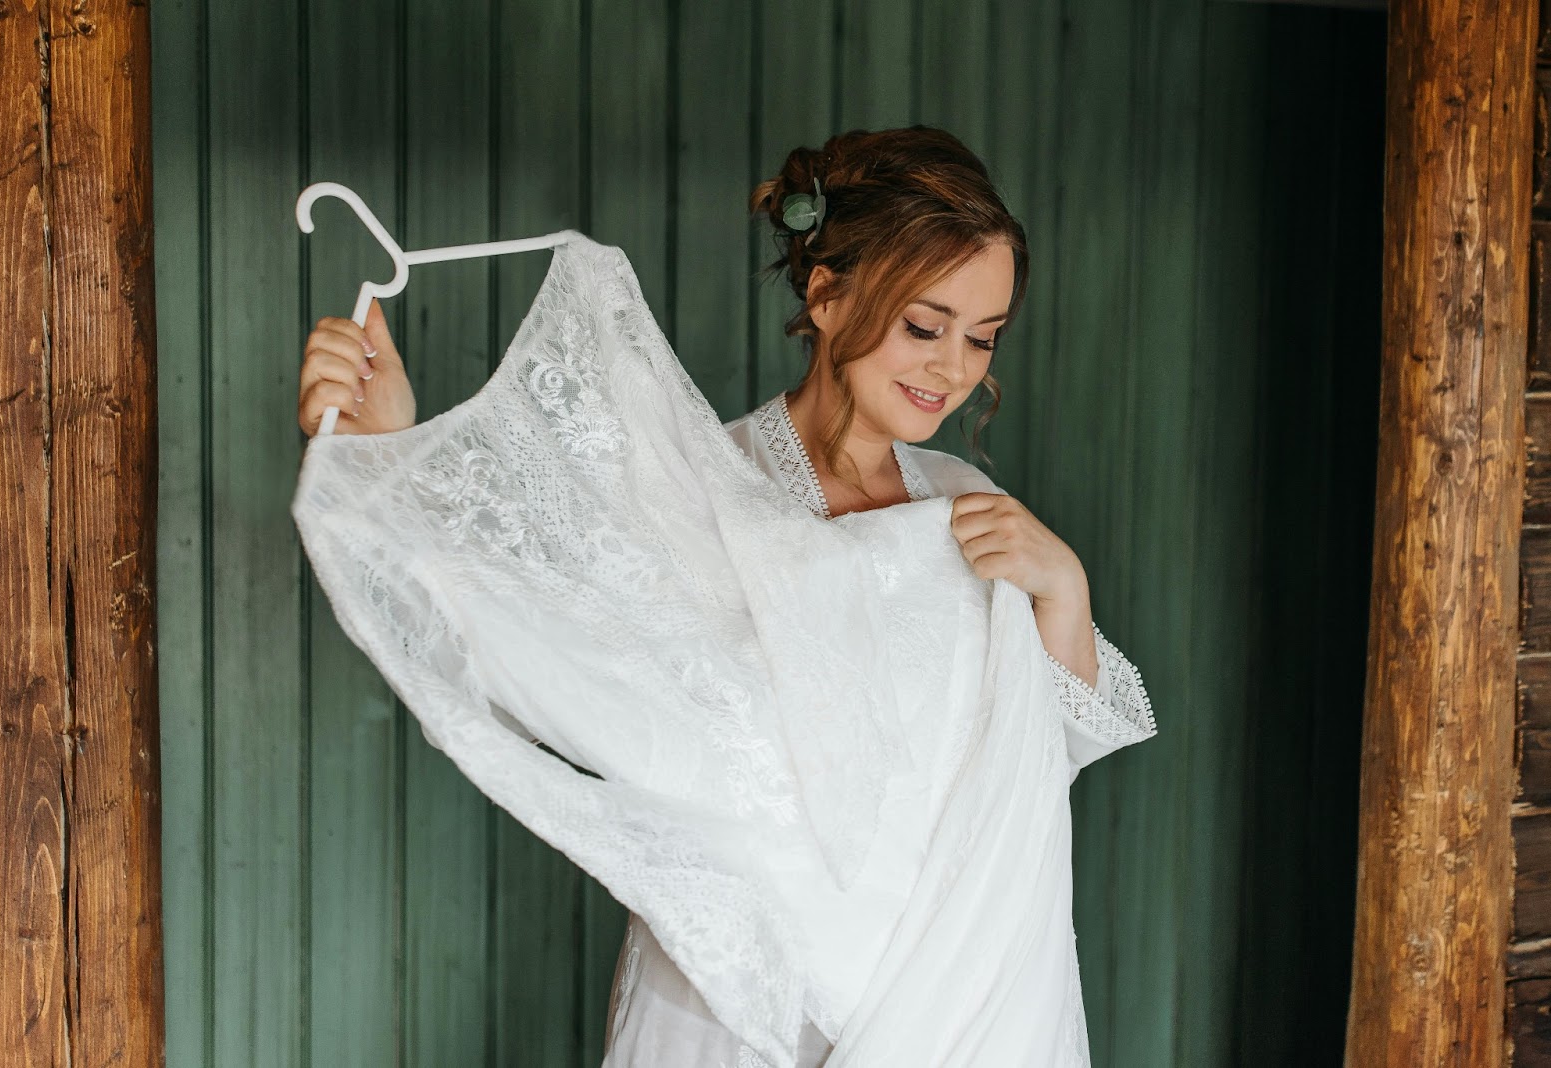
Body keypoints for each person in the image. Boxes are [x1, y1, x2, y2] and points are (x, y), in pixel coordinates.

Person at [295, 126, 1152, 1067]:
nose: (953, 368)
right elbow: (515, 628)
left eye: (983, 337)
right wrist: (390, 452)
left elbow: (1026, 773)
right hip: (743, 1009)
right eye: (924, 324)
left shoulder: (964, 505)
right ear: (828, 294)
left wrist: (1060, 589)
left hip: (955, 1001)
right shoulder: (698, 489)